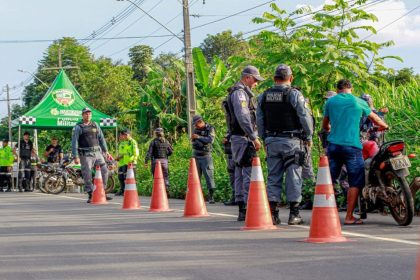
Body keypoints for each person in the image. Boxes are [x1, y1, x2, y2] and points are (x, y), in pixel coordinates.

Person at [322, 79, 388, 225]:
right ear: (350, 88)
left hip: (333, 146)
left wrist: (329, 130)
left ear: (337, 89)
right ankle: (349, 216)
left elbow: (325, 125)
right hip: (352, 146)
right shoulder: (358, 101)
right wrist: (385, 125)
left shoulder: (330, 102)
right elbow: (375, 118)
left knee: (329, 180)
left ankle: (324, 214)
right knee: (355, 181)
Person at [257, 64, 313, 225]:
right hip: (292, 142)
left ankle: (273, 214)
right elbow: (304, 116)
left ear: (274, 78)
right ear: (291, 78)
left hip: (271, 141)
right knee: (293, 176)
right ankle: (294, 214)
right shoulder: (295, 94)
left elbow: (259, 119)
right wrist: (308, 135)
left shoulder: (263, 95)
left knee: (273, 176)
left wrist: (263, 138)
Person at [225, 65, 263, 221]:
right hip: (243, 137)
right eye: (255, 80)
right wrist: (253, 136)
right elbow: (243, 116)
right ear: (247, 77)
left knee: (240, 170)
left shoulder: (237, 92)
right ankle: (247, 206)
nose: (256, 83)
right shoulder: (240, 94)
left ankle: (243, 208)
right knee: (247, 171)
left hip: (238, 137)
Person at [71, 107, 112, 203]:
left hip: (98, 152)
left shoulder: (95, 125)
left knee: (105, 170)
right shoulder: (78, 127)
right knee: (87, 174)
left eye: (89, 113)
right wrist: (75, 156)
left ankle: (102, 191)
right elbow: (74, 142)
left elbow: (101, 138)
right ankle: (90, 194)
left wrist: (106, 151)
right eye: (86, 113)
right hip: (86, 154)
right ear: (82, 115)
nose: (88, 115)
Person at [191, 115, 216, 204]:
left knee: (209, 176)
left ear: (200, 121)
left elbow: (210, 140)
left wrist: (199, 138)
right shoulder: (196, 130)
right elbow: (193, 141)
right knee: (195, 177)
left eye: (196, 124)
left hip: (206, 155)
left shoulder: (210, 128)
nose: (195, 126)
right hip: (196, 155)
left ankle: (211, 196)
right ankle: (196, 196)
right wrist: (198, 140)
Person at [145, 128, 172, 195]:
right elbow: (171, 152)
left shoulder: (153, 142)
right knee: (165, 176)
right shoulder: (166, 141)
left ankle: (158, 192)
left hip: (156, 162)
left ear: (155, 134)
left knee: (156, 177)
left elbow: (149, 153)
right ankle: (166, 188)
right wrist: (166, 155)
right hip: (164, 161)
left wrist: (146, 161)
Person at [115, 129, 139, 196]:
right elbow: (122, 152)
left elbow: (136, 152)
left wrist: (134, 160)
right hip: (122, 163)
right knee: (121, 177)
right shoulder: (123, 142)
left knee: (130, 178)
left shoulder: (132, 142)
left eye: (125, 135)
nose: (124, 136)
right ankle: (122, 190)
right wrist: (118, 157)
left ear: (129, 134)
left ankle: (132, 191)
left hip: (130, 162)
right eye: (123, 135)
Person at [222, 133, 237, 206]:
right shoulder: (230, 130)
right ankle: (235, 198)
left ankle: (241, 199)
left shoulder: (244, 125)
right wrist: (225, 141)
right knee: (232, 176)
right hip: (231, 156)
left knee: (240, 176)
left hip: (238, 155)